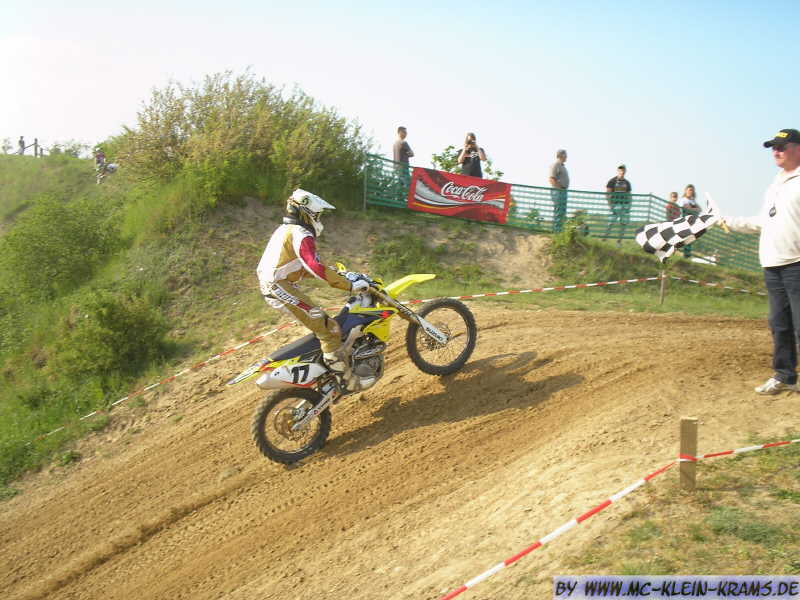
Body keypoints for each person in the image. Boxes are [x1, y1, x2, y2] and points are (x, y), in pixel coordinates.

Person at [256, 189, 369, 389]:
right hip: (279, 288)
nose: (319, 218)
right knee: (329, 329)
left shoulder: (285, 230)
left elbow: (302, 266)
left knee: (324, 323)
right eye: (318, 214)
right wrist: (349, 285)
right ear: (307, 213)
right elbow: (314, 266)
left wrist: (341, 274)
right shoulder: (301, 234)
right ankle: (345, 380)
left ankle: (326, 364)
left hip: (277, 285)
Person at [720, 128, 800, 395]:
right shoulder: (775, 184)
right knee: (779, 324)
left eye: (781, 146)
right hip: (772, 263)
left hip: (797, 263)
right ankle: (784, 376)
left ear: (798, 148)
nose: (776, 151)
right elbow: (763, 221)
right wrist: (729, 222)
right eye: (773, 147)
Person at [604, 164, 633, 245]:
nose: (622, 171)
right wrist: (610, 205)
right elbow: (607, 194)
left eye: (623, 170)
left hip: (625, 205)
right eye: (620, 170)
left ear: (625, 171)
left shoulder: (627, 183)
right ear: (618, 171)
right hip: (615, 205)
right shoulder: (612, 181)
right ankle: (604, 239)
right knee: (610, 223)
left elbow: (629, 195)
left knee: (623, 225)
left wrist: (629, 206)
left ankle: (619, 242)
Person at [548, 149, 569, 232]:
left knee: (562, 211)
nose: (566, 156)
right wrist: (559, 189)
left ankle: (559, 230)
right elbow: (551, 179)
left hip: (562, 191)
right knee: (558, 210)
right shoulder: (556, 164)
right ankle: (556, 230)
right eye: (565, 154)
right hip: (558, 191)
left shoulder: (562, 166)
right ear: (560, 155)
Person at [679, 184, 702, 257]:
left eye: (692, 190)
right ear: (686, 191)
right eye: (689, 190)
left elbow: (700, 209)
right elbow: (688, 208)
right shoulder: (683, 200)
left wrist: (693, 209)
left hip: (692, 222)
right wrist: (694, 209)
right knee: (685, 238)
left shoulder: (693, 201)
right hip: (685, 221)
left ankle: (687, 255)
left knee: (690, 239)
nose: (691, 192)